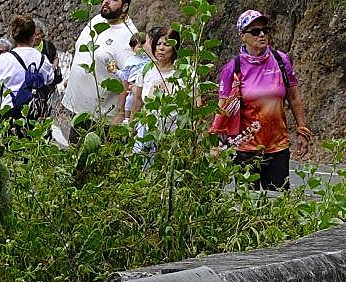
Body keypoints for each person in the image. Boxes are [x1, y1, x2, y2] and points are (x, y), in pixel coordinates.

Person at [219, 10, 312, 190]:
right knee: (249, 206)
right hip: (245, 148)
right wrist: (218, 143)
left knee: (278, 203)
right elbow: (222, 109)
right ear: (242, 36)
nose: (261, 34)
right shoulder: (232, 68)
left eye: (264, 30)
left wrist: (302, 129)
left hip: (277, 146)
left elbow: (294, 98)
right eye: (255, 31)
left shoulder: (281, 60)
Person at [63, 0, 139, 133]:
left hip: (101, 117)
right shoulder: (97, 20)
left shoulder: (128, 35)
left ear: (124, 6)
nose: (106, 1)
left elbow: (130, 78)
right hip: (79, 110)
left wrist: (120, 113)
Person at [131, 25, 200, 158]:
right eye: (158, 44)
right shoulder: (146, 70)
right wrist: (131, 127)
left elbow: (196, 106)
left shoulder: (186, 72)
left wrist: (193, 137)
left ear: (174, 48)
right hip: (146, 134)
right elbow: (138, 101)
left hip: (173, 138)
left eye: (167, 44)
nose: (161, 48)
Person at [0, 15, 56, 136]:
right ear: (33, 36)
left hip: (10, 116)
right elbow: (50, 79)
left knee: (9, 152)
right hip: (36, 116)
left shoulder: (5, 59)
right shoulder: (43, 59)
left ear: (13, 36)